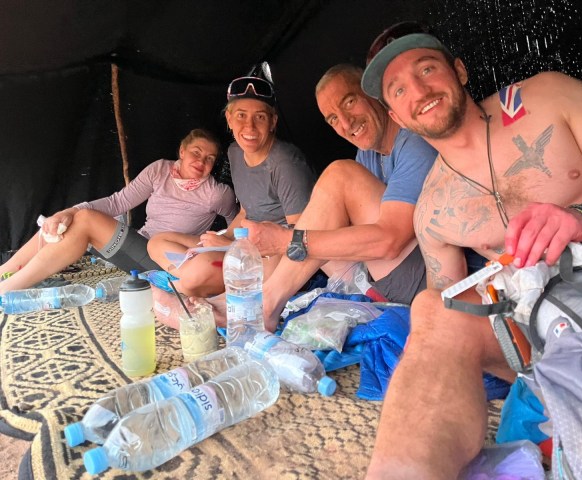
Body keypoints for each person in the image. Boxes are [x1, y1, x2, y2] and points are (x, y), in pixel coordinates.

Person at [359, 25, 582, 478]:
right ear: (397, 116)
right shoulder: (433, 209)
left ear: (459, 70)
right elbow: (453, 311)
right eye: (399, 89)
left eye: (426, 69)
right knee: (433, 311)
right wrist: (429, 351)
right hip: (546, 328)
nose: (420, 91)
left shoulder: (546, 98)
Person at [241, 63, 439, 331]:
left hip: (427, 282)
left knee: (339, 176)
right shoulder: (368, 154)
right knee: (316, 231)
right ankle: (258, 298)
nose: (346, 123)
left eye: (349, 102)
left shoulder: (414, 142)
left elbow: (391, 241)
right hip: (386, 278)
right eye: (333, 119)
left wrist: (286, 241)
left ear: (373, 94)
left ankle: (266, 304)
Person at [0, 128, 238, 295]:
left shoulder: (217, 194)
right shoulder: (160, 170)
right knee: (65, 220)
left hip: (166, 263)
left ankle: (6, 289)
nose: (201, 161)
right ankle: (5, 273)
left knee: (84, 219)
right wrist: (68, 211)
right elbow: (118, 203)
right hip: (141, 245)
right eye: (196, 152)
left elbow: (234, 230)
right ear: (182, 152)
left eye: (209, 158)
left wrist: (212, 248)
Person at [147, 73, 316, 299]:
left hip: (272, 254)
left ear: (273, 122)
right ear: (229, 119)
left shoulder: (286, 162)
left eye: (260, 117)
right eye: (241, 115)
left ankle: (188, 282)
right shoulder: (235, 152)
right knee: (157, 242)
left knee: (201, 270)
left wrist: (231, 246)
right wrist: (225, 239)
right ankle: (191, 281)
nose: (249, 126)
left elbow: (300, 236)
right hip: (241, 246)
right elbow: (245, 211)